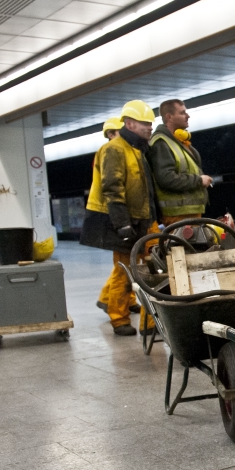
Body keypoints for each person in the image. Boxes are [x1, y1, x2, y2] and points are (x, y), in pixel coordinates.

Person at [80, 101, 158, 336]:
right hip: (122, 220)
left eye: (150, 124)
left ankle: (149, 323)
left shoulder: (138, 149)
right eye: (146, 124)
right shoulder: (115, 148)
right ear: (131, 124)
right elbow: (112, 188)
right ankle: (119, 318)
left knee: (149, 270)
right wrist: (122, 223)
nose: (150, 128)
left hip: (142, 219)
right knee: (124, 270)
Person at [92, 115, 139, 317]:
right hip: (112, 213)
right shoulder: (110, 151)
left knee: (126, 264)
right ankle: (113, 305)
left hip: (115, 211)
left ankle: (117, 299)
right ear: (111, 134)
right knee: (124, 264)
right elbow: (113, 187)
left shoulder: (121, 151)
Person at [148, 99, 214, 227]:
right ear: (169, 117)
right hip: (177, 215)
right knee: (181, 247)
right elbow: (166, 178)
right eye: (182, 112)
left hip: (188, 213)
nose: (187, 116)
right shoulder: (161, 143)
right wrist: (198, 181)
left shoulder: (178, 142)